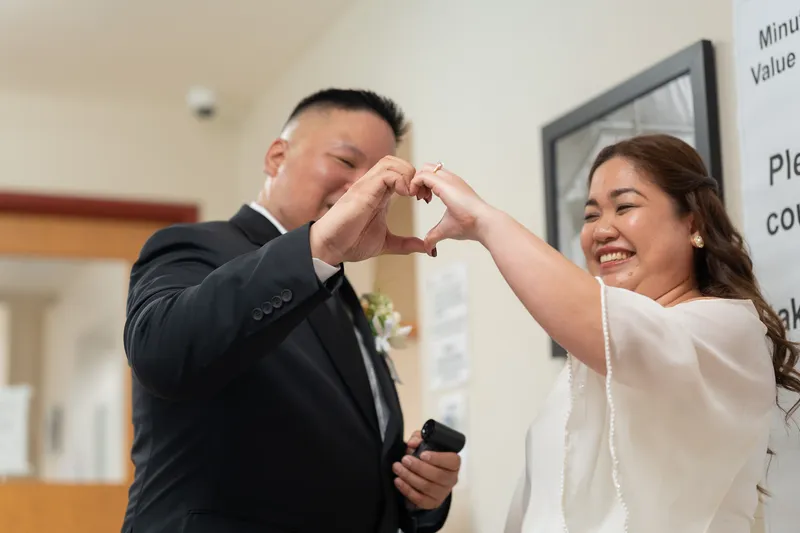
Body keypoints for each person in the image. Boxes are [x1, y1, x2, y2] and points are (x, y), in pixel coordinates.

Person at [409, 134, 800, 533]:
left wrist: (483, 220)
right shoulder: (575, 378)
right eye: (591, 215)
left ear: (693, 222)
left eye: (625, 206)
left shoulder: (728, 332)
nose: (600, 231)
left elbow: (620, 335)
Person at [121, 88, 460, 533]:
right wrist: (319, 247)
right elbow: (161, 354)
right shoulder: (196, 246)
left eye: (379, 177)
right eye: (346, 161)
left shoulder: (338, 291)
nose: (363, 189)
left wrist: (419, 494)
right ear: (277, 157)